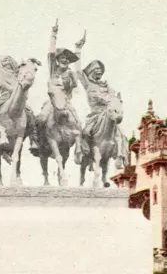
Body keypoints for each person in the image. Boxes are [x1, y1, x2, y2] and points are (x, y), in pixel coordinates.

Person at [73, 32, 128, 167]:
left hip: (108, 113)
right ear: (91, 71)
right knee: (85, 132)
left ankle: (120, 156)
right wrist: (78, 50)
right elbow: (79, 72)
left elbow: (114, 99)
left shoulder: (107, 85)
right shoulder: (88, 84)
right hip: (95, 115)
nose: (98, 72)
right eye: (96, 69)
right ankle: (84, 154)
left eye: (100, 70)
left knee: (122, 136)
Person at [0, 55, 40, 155]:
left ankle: (34, 139)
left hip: (19, 97)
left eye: (10, 60)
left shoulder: (16, 74)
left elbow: (25, 71)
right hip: (5, 96)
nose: (7, 61)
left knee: (30, 114)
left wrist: (30, 61)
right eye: (5, 60)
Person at [44, 19, 82, 129]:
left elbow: (75, 86)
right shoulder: (53, 69)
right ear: (58, 59)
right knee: (41, 118)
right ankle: (36, 141)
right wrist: (53, 35)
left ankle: (80, 144)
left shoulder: (70, 73)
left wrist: (73, 81)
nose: (65, 60)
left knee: (77, 123)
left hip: (66, 102)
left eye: (67, 59)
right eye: (62, 58)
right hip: (52, 103)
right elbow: (51, 53)